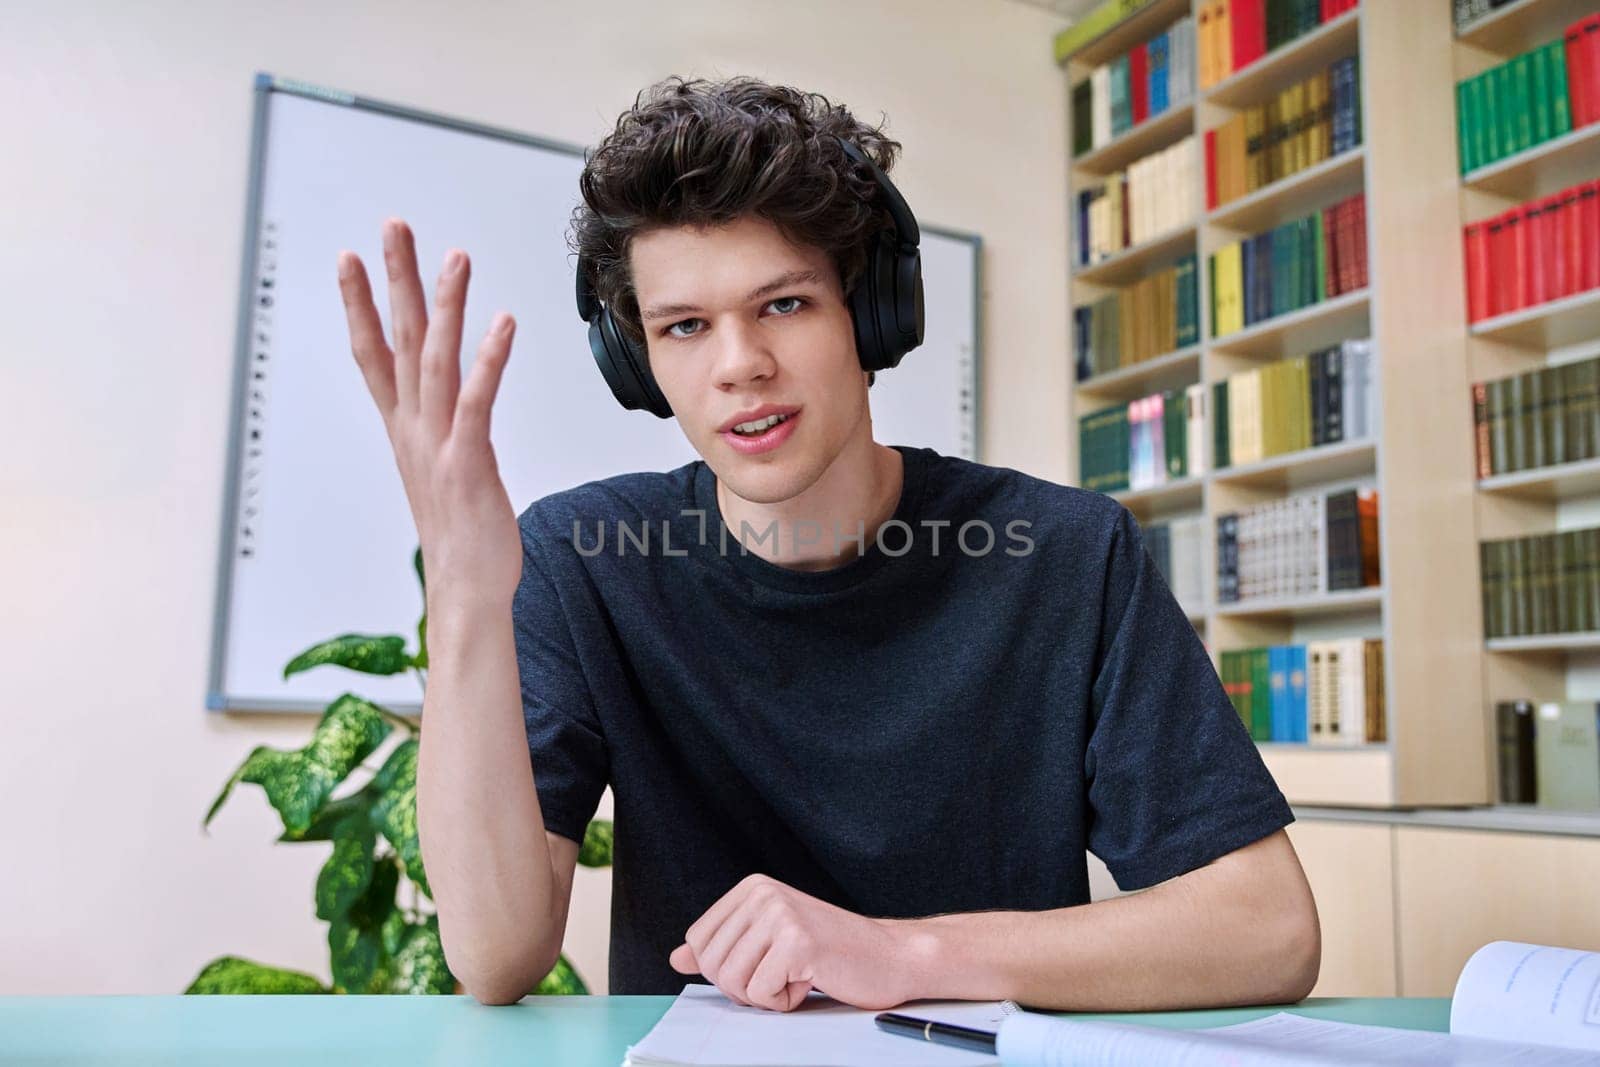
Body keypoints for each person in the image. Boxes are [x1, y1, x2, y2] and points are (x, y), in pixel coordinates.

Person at [335, 75, 1320, 1013]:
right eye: (683, 326)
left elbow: (1267, 929)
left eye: (785, 303)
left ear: (871, 310)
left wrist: (899, 953)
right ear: (639, 363)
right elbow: (496, 955)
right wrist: (464, 591)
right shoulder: (585, 558)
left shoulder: (1063, 553)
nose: (740, 366)